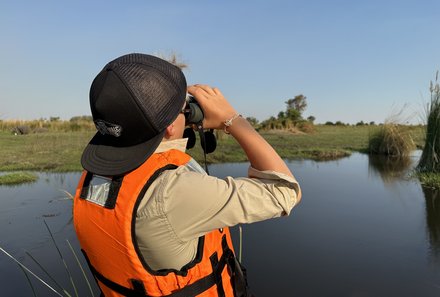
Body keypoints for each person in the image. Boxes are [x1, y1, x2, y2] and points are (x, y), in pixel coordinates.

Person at [73, 53, 301, 297]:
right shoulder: (172, 192)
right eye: (185, 109)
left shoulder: (93, 179)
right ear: (171, 124)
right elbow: (283, 192)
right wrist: (231, 119)